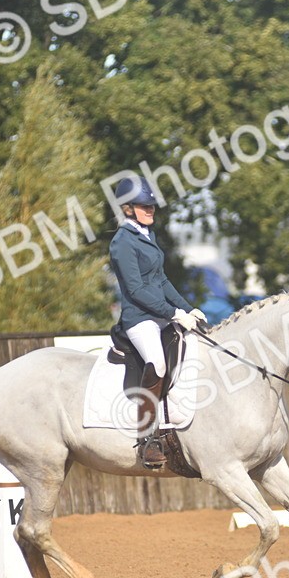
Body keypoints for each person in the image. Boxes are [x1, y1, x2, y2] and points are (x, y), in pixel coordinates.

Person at [108, 175, 206, 468]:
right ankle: (147, 439)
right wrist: (174, 314)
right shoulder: (122, 242)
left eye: (151, 206)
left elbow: (161, 280)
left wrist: (190, 309)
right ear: (127, 208)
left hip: (161, 314)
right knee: (159, 363)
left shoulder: (148, 235)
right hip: (139, 319)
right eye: (143, 206)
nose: (150, 210)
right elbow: (136, 290)